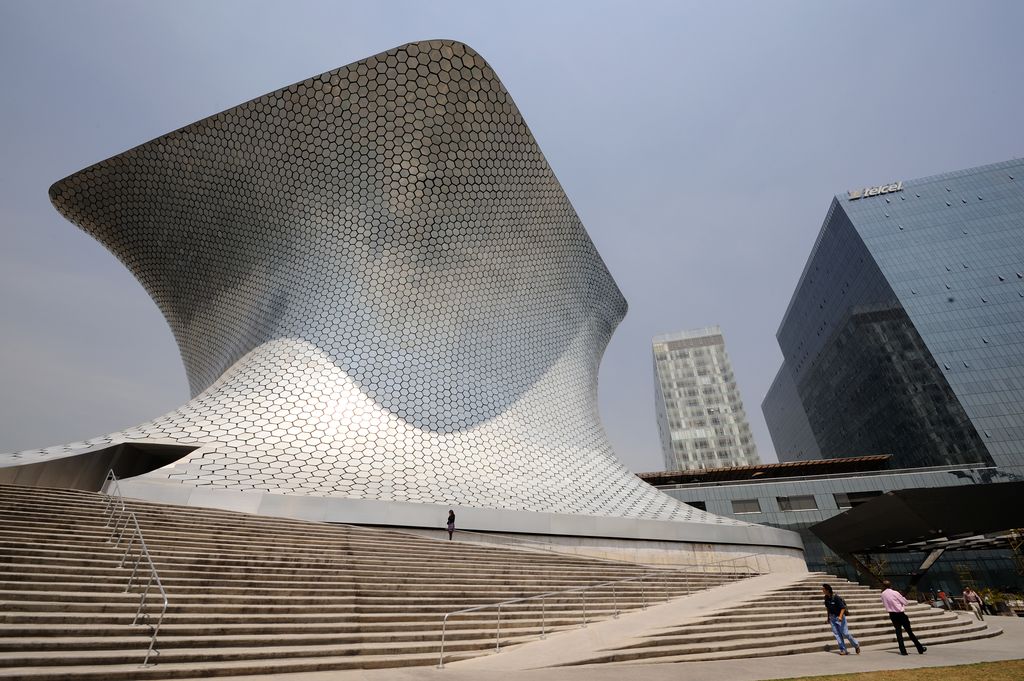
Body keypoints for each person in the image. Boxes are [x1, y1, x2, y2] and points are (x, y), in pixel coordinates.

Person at [880, 580, 927, 655]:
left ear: (883, 586)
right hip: (900, 614)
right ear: (890, 585)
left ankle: (903, 650)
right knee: (909, 632)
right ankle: (919, 648)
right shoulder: (895, 592)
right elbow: (905, 602)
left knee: (898, 632)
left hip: (892, 614)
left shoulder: (882, 594)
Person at [822, 584, 860, 655]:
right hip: (832, 618)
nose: (822, 590)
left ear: (827, 590)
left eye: (823, 589)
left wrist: (840, 616)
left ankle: (856, 645)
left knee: (845, 633)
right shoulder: (826, 598)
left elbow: (842, 608)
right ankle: (843, 649)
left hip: (840, 617)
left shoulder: (836, 597)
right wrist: (828, 618)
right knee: (837, 634)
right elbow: (828, 609)